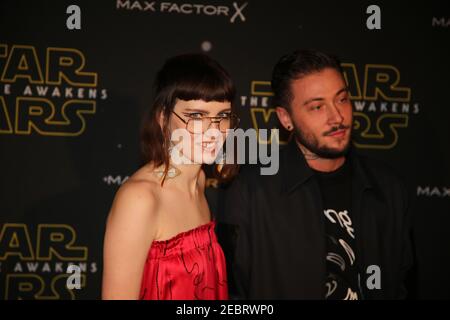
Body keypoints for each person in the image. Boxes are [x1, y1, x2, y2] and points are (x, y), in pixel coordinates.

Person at [222, 49, 413, 299]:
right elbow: (234, 292)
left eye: (342, 99)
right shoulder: (251, 190)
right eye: (317, 107)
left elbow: (402, 283)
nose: (337, 117)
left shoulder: (388, 187)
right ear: (285, 118)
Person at [102, 53, 239, 300]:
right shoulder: (140, 199)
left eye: (222, 117)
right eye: (196, 116)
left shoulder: (197, 181)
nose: (214, 131)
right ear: (164, 118)